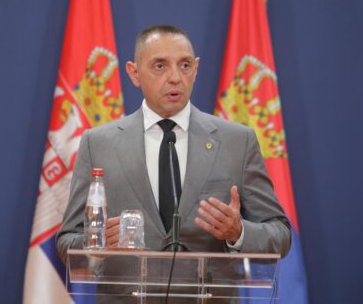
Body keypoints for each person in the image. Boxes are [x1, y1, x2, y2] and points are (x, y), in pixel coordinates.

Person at [55, 25, 291, 300]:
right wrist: (97, 244)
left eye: (185, 65)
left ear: (196, 69)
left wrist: (238, 232)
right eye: (159, 66)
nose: (175, 77)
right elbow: (66, 241)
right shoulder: (98, 144)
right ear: (133, 73)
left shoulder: (237, 142)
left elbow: (280, 234)